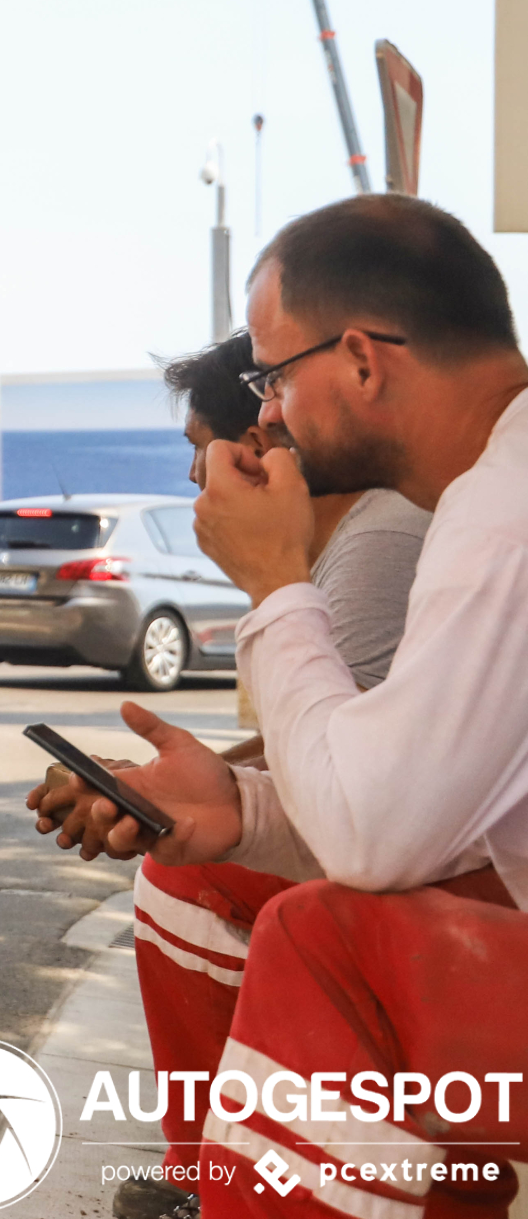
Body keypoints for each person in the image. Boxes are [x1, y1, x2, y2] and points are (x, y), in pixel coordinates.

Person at [42, 195, 528, 1219]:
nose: (263, 412)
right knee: (274, 895)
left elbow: (373, 836)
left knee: (326, 938)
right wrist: (238, 810)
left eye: (271, 376)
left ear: (360, 360)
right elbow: (440, 813)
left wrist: (272, 585)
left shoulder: (502, 510)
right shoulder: (485, 495)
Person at [43, 331, 429, 1219]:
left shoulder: (377, 546)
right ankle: (220, 1170)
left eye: (198, 449)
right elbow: (333, 743)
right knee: (192, 861)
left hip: (445, 873)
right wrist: (192, 776)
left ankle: (216, 1179)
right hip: (415, 833)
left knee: (200, 883)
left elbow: (349, 777)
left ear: (259, 446)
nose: (192, 481)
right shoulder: (352, 536)